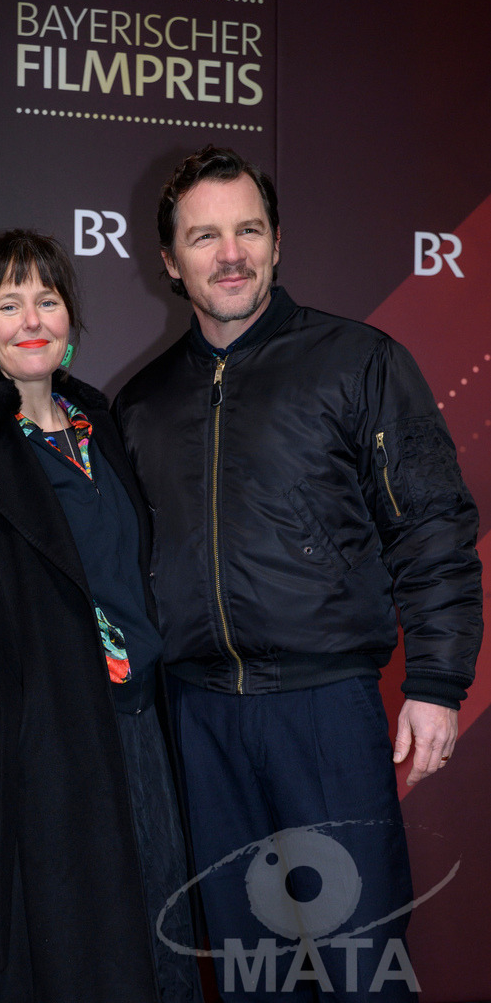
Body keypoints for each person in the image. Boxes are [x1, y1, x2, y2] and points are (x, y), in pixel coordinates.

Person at [114, 147, 483, 1001]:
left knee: (362, 968)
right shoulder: (141, 404)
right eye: (203, 237)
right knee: (250, 975)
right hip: (197, 718)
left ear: (277, 243)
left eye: (248, 230)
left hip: (325, 710)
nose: (230, 255)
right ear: (169, 261)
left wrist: (436, 681)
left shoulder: (357, 361)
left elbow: (431, 522)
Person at [0, 230, 198, 1003]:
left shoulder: (104, 427)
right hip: (47, 752)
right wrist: (13, 738)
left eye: (47, 299)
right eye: (9, 304)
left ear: (71, 315)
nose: (32, 320)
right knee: (71, 967)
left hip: (138, 733)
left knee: (157, 956)